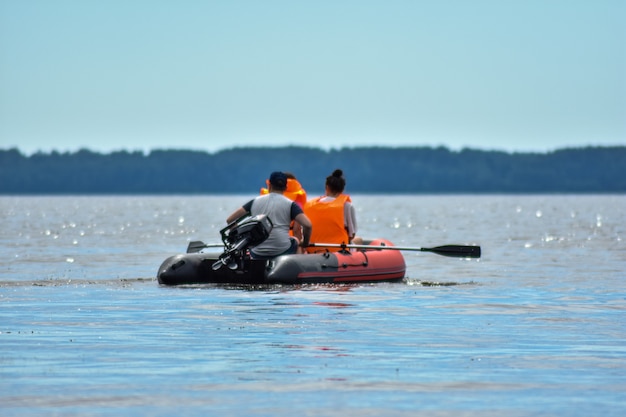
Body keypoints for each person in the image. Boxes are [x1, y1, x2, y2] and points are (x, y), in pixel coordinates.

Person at [227, 171, 312, 260]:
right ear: (285, 187)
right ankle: (295, 268)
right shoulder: (291, 205)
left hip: (257, 252)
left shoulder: (254, 202)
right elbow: (308, 225)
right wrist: (305, 243)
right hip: (282, 250)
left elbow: (230, 220)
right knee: (295, 241)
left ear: (269, 185)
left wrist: (240, 238)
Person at [304, 169, 361, 253]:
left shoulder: (309, 205)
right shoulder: (347, 206)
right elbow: (352, 235)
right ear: (342, 190)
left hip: (313, 250)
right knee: (359, 240)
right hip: (338, 251)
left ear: (327, 187)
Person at [259, 172, 308, 240]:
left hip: (266, 239)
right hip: (286, 240)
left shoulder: (263, 200)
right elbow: (297, 229)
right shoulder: (297, 200)